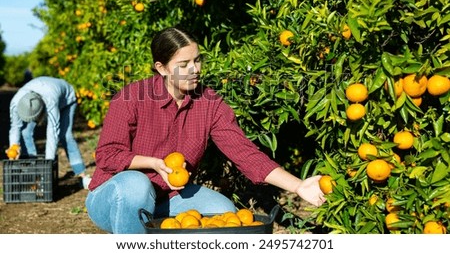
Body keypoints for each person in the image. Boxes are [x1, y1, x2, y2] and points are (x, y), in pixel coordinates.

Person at [86, 27, 325, 234]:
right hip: (115, 198)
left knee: (224, 213)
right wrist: (154, 163)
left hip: (167, 198)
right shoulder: (131, 98)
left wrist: (298, 186)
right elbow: (107, 156)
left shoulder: (209, 104)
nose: (194, 69)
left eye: (197, 60)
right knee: (136, 186)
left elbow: (244, 153)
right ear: (162, 68)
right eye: (183, 64)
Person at [8, 76, 91, 189]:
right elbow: (15, 127)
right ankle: (34, 173)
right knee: (26, 132)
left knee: (65, 136)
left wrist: (47, 164)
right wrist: (14, 146)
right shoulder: (16, 103)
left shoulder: (50, 102)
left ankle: (82, 176)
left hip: (66, 100)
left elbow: (52, 133)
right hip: (42, 94)